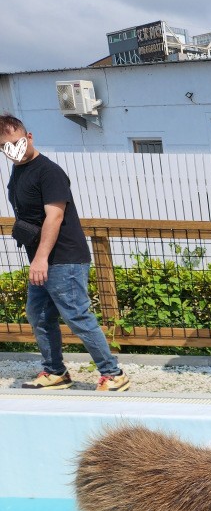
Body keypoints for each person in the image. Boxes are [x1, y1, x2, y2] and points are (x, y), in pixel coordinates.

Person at [1, 114, 130, 392]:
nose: (13, 150)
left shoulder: (49, 172)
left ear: (29, 137)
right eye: (5, 146)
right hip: (44, 260)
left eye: (16, 142)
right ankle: (55, 372)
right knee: (38, 314)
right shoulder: (19, 170)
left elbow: (55, 216)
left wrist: (41, 258)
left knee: (77, 316)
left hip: (63, 258)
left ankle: (113, 374)